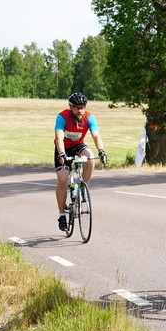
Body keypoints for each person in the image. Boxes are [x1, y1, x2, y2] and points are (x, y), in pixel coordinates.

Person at [54, 93, 107, 231]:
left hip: (78, 146)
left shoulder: (89, 117)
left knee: (90, 159)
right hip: (63, 148)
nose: (80, 110)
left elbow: (96, 135)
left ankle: (82, 188)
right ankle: (61, 215)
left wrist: (101, 151)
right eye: (77, 108)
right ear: (71, 107)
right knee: (63, 179)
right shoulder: (62, 117)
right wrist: (61, 153)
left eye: (83, 107)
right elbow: (59, 137)